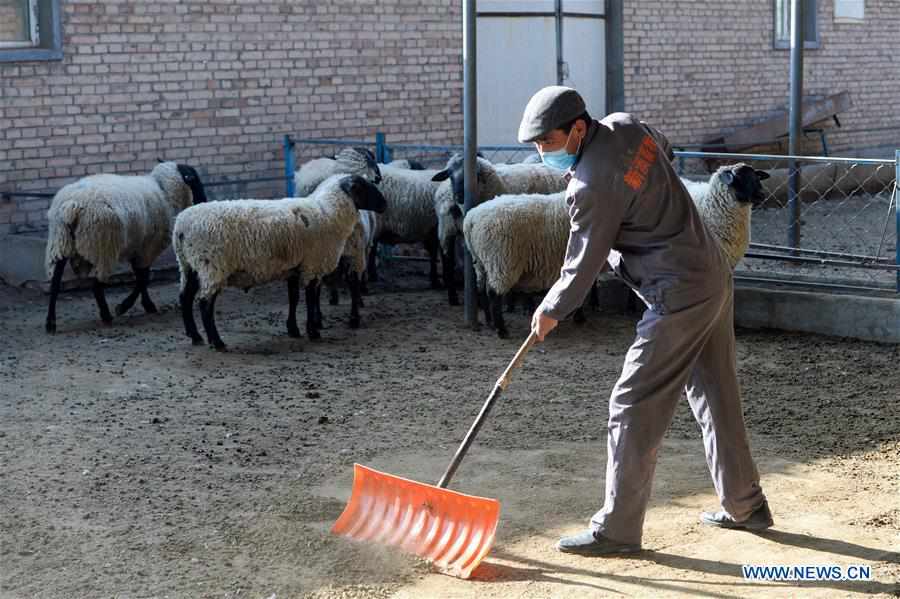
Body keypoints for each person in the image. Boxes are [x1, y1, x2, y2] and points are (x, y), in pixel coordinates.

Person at [519, 86, 772, 556]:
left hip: (677, 295)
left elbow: (583, 262)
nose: (541, 152)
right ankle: (746, 506)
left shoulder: (589, 185)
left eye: (547, 142)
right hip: (711, 271)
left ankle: (616, 529)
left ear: (577, 129)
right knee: (717, 393)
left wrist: (551, 309)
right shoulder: (627, 125)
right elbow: (664, 148)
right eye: (535, 145)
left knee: (632, 403)